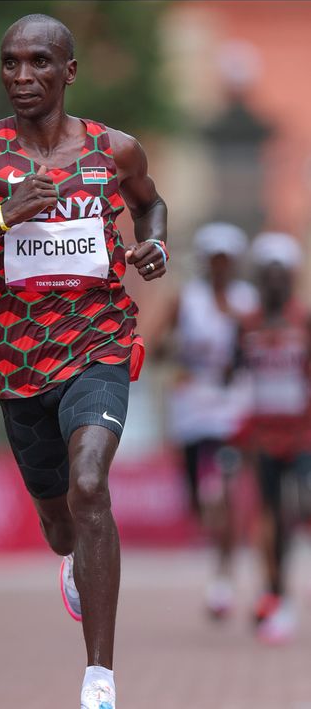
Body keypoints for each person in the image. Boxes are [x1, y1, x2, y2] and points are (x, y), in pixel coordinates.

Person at [0, 14, 167, 709]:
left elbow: (152, 208)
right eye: (10, 63)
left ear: (69, 72)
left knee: (91, 482)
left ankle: (99, 678)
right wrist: (0, 220)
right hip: (20, 365)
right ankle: (72, 557)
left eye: (37, 63)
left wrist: (156, 246)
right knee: (61, 517)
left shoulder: (113, 150)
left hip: (101, 344)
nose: (21, 77)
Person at [160, 223, 258, 618]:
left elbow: (262, 346)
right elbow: (158, 346)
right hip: (192, 409)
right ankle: (211, 530)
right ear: (205, 262)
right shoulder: (185, 300)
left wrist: (240, 324)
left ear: (234, 264)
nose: (220, 268)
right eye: (213, 260)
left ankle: (222, 579)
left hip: (232, 406)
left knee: (226, 492)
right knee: (200, 503)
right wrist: (179, 353)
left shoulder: (247, 301)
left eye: (226, 261)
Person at [234, 232, 311, 644]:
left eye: (283, 276)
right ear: (261, 279)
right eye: (269, 276)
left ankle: (279, 589)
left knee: (300, 501)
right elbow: (233, 372)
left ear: (292, 278)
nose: (276, 283)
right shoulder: (247, 324)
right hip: (262, 436)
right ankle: (277, 592)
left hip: (301, 434)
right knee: (274, 514)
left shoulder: (305, 320)